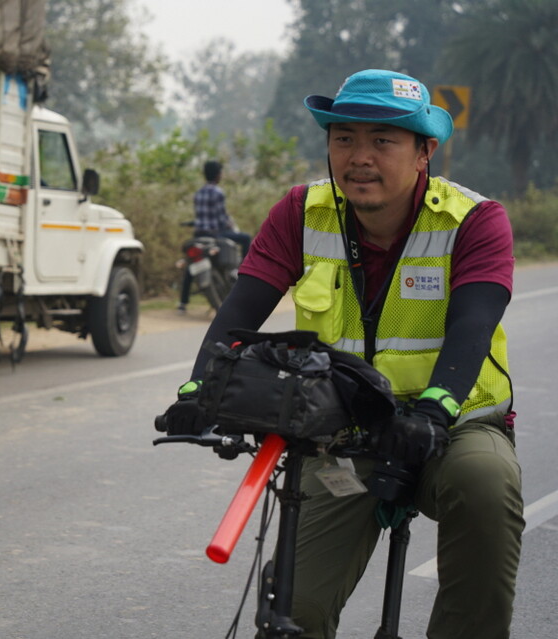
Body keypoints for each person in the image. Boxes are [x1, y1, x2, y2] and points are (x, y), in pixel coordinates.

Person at [160, 69, 523, 638]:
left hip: (451, 426)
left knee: (485, 487)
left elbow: (473, 326)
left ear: (424, 151)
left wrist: (433, 410)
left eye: (383, 140)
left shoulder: (474, 220)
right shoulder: (301, 212)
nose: (360, 157)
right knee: (293, 612)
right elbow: (235, 319)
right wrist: (196, 391)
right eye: (344, 138)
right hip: (342, 433)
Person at [178, 160, 252, 311]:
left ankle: (183, 302)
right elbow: (221, 218)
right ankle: (245, 272)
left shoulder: (198, 193)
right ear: (218, 175)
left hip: (199, 234)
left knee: (191, 265)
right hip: (216, 234)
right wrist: (231, 226)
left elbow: (202, 216)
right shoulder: (218, 192)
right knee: (245, 239)